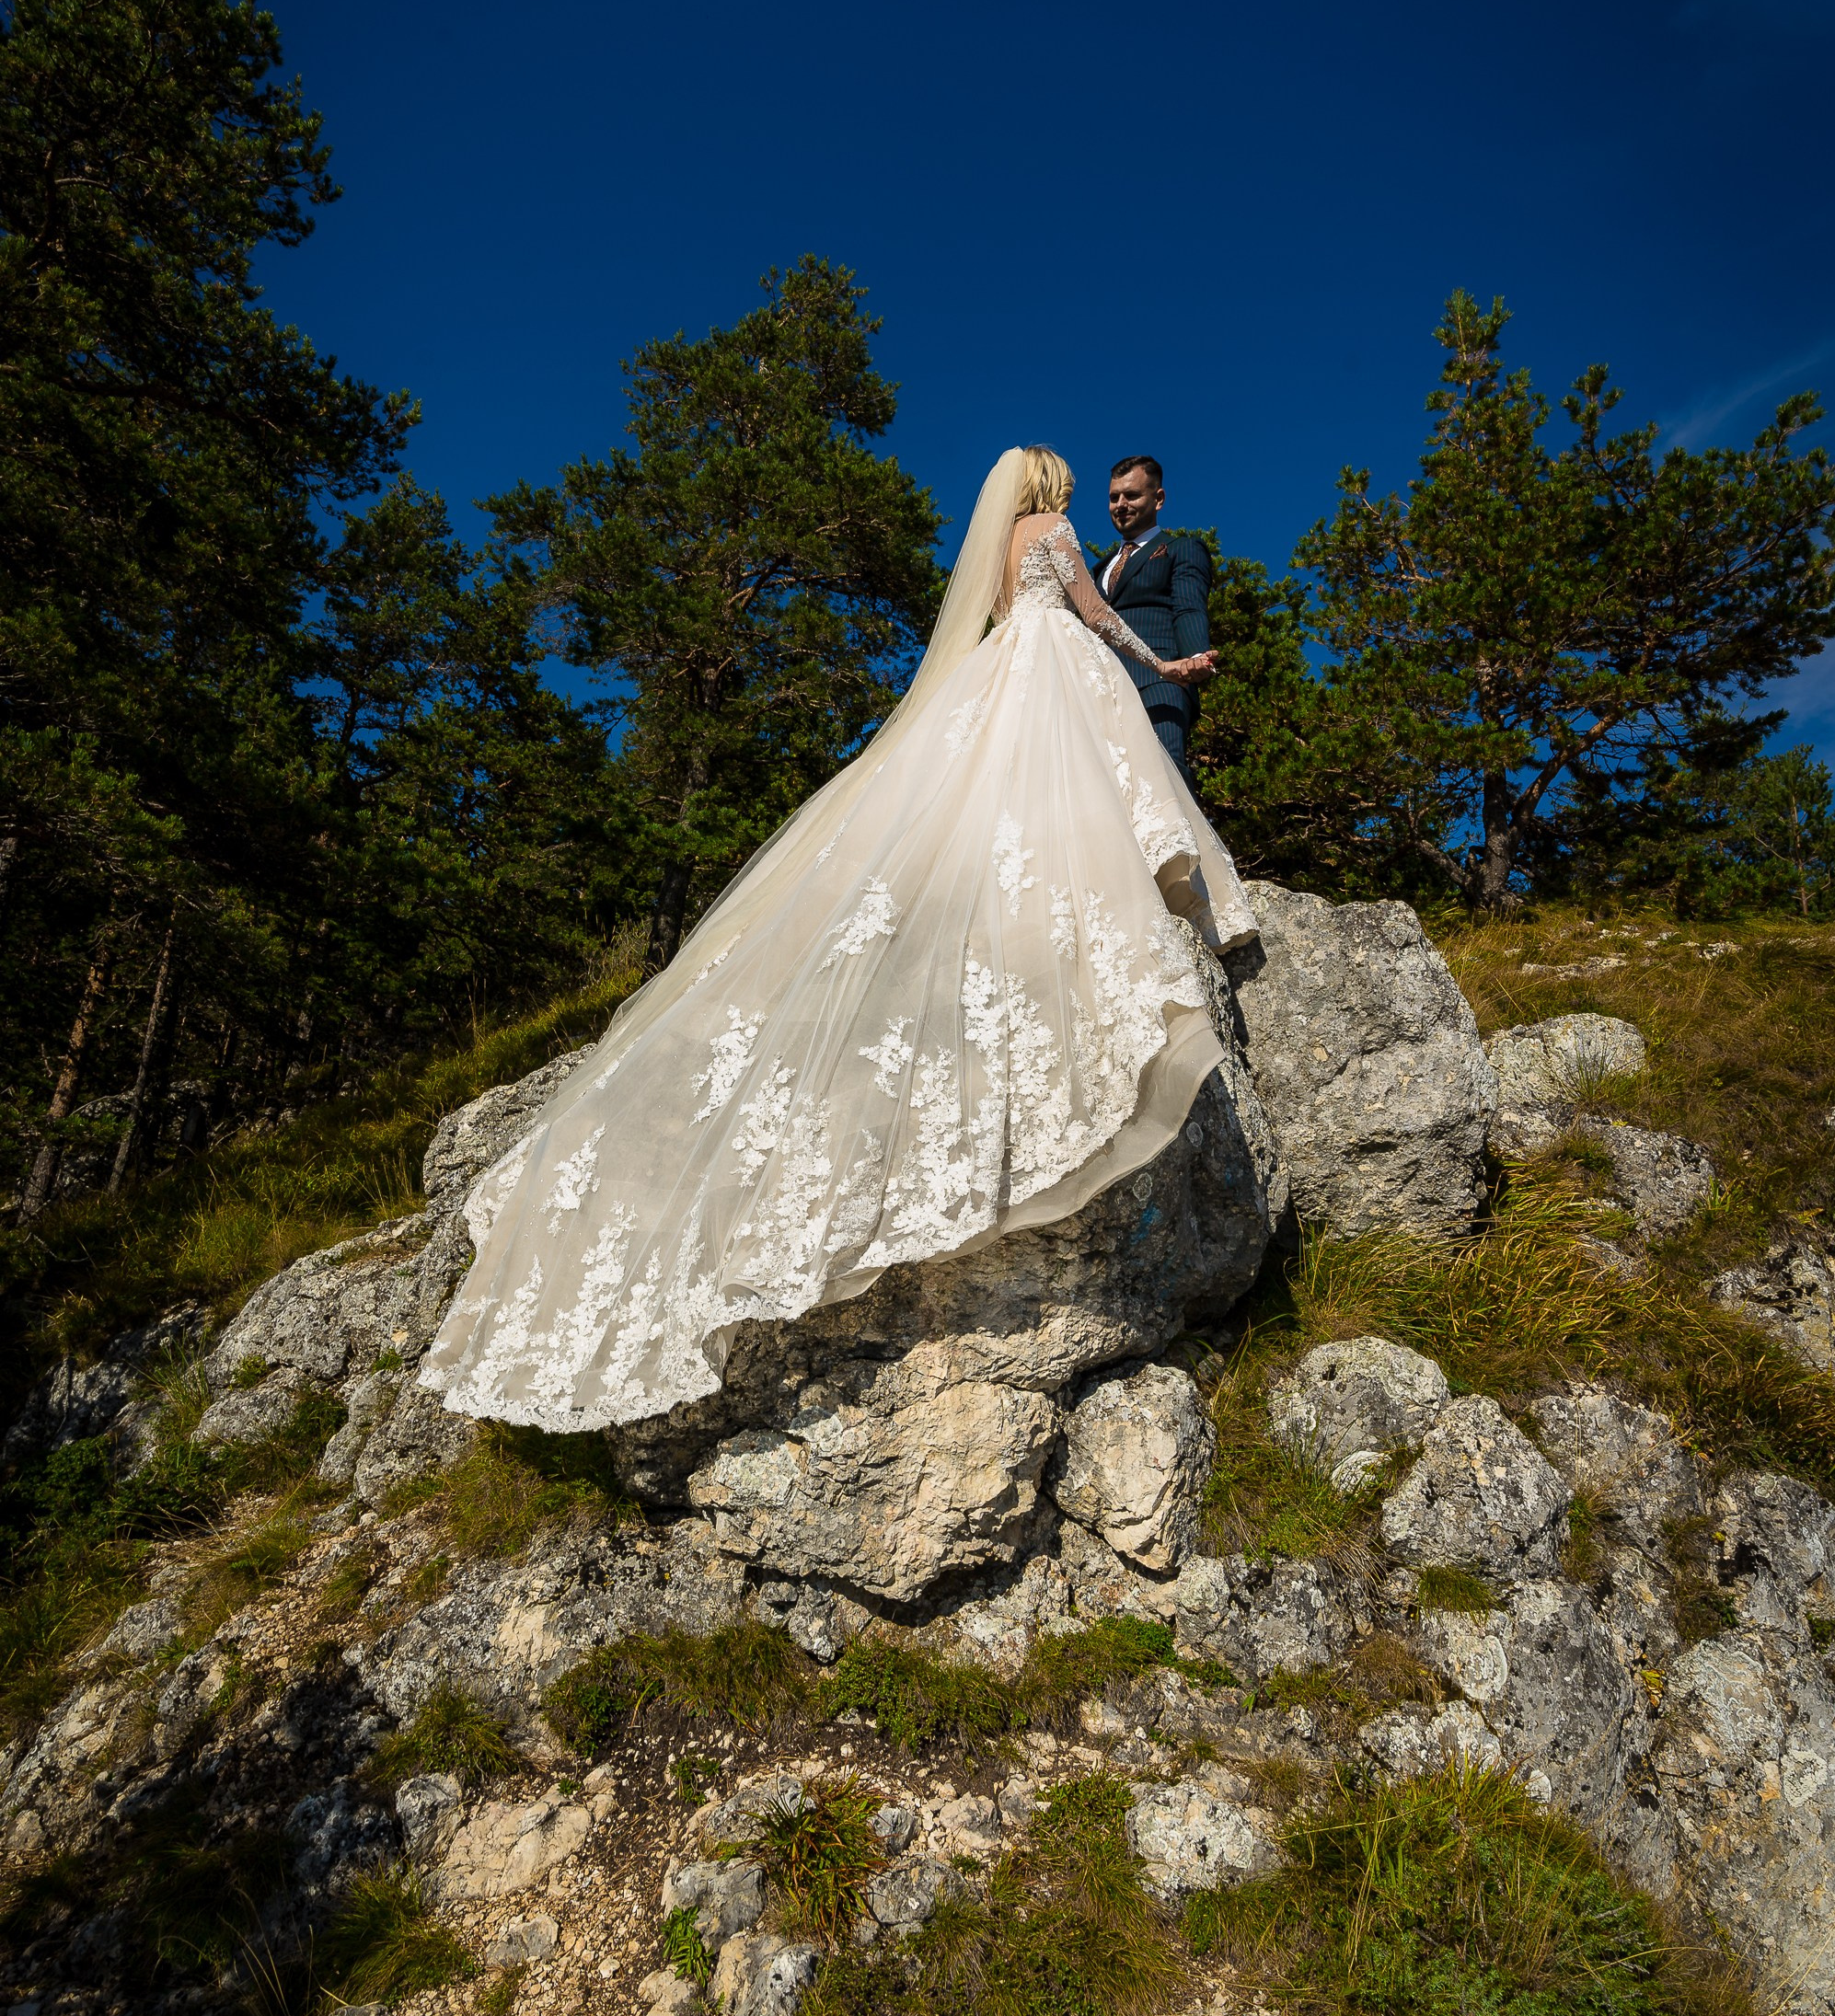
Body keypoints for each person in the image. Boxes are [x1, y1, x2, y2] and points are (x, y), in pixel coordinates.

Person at [418, 447, 1258, 1437]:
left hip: (1002, 668)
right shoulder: (1058, 537)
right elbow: (1090, 612)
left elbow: (994, 620)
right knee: (1074, 786)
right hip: (1058, 667)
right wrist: (1153, 661)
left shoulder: (995, 550)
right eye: (1070, 484)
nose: (1078, 497)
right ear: (1051, 491)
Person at [1091, 455, 1214, 782]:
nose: (1120, 504)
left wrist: (1195, 657)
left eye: (1131, 496)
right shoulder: (1096, 570)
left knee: (1164, 779)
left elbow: (1188, 607)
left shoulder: (1180, 548)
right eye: (1114, 497)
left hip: (1159, 683)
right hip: (1098, 694)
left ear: (1158, 499)